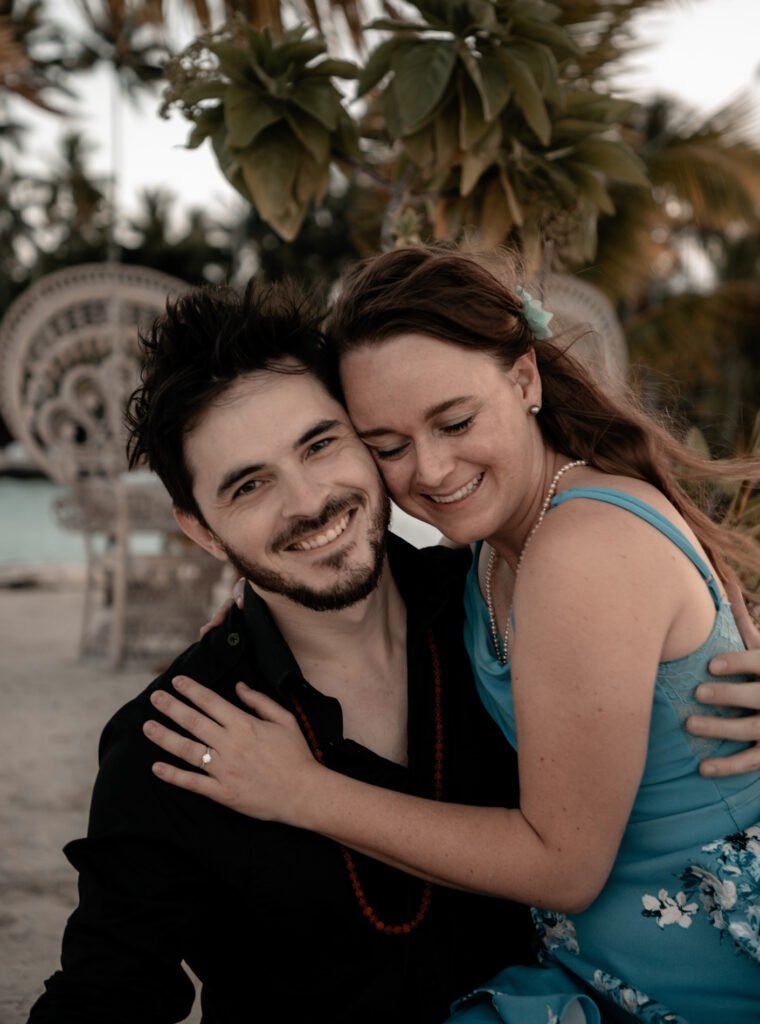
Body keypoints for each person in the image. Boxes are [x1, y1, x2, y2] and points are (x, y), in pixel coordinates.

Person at [144, 247, 760, 1024]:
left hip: (701, 974)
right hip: (596, 964)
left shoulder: (579, 550)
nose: (431, 471)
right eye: (389, 446)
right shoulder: (489, 552)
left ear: (526, 380)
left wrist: (303, 791)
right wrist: (253, 628)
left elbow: (563, 866)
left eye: (456, 421)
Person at [27, 279, 538, 1024]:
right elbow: (108, 990)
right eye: (249, 486)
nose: (307, 503)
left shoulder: (507, 611)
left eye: (320, 444)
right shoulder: (173, 741)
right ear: (200, 529)